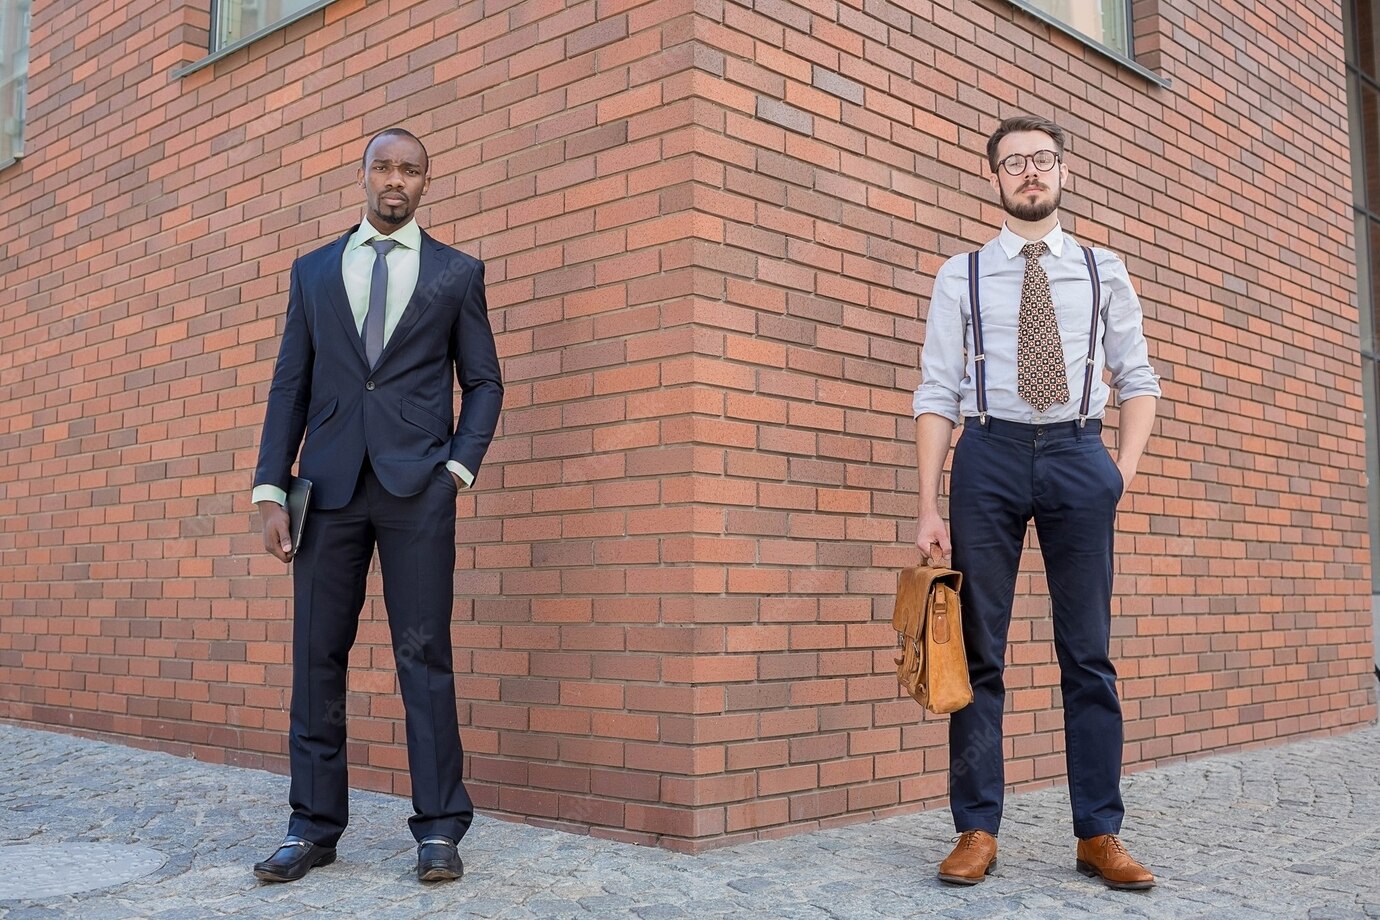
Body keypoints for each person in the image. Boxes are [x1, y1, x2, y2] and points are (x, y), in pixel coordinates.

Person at [912, 115, 1160, 890]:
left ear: (1063, 171)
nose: (1030, 173)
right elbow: (937, 389)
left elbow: (1139, 378)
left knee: (1087, 653)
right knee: (980, 653)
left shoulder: (1101, 268)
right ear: (993, 177)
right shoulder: (961, 273)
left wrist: (1117, 471)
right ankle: (976, 828)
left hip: (1079, 453)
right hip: (986, 454)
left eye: (1042, 160)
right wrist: (928, 504)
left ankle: (1099, 833)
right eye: (1013, 162)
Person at [250, 128, 503, 884]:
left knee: (424, 655)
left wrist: (456, 469)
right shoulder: (313, 271)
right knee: (315, 657)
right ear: (362, 174)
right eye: (384, 166)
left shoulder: (457, 274)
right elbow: (289, 383)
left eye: (411, 170)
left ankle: (438, 828)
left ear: (427, 182)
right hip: (324, 492)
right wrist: (271, 488)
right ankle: (313, 825)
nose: (396, 179)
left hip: (416, 490)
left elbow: (484, 381)